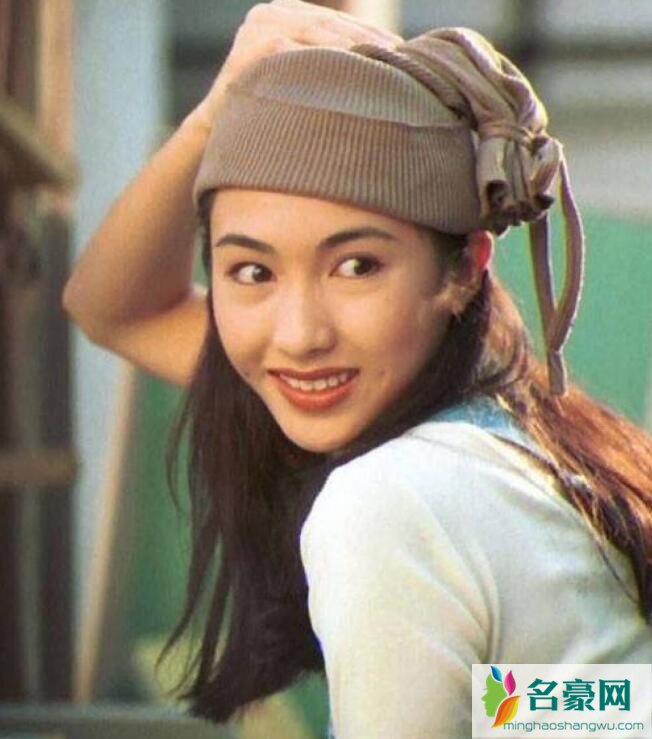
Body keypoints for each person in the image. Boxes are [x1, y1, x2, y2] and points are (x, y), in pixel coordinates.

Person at [63, 1, 652, 737]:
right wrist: (214, 116)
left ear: (464, 269)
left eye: (356, 266)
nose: (300, 336)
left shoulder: (390, 496)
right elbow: (109, 310)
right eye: (252, 271)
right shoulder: (508, 441)